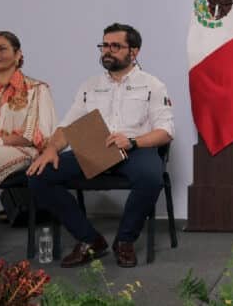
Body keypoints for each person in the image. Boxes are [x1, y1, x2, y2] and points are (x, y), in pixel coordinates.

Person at [27, 23, 173, 268]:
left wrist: (133, 141)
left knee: (151, 177)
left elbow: (166, 131)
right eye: (104, 45)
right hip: (95, 151)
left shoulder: (153, 85)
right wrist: (51, 149)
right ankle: (90, 240)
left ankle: (124, 241)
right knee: (38, 175)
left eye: (115, 46)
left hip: (135, 150)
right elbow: (67, 127)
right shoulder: (89, 86)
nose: (107, 51)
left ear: (134, 51)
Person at [0, 31, 56, 258]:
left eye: (1, 49)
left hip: (22, 150)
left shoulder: (36, 89)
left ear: (18, 54)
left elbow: (37, 133)